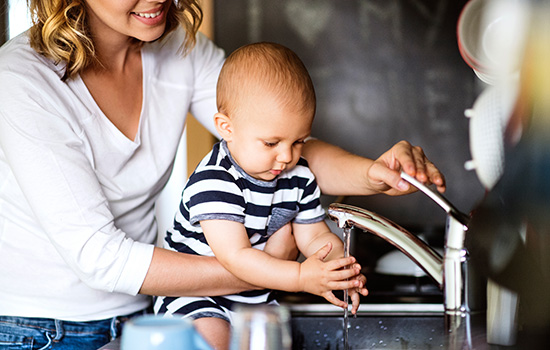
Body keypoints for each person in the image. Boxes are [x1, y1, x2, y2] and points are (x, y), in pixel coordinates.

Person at [0, 0, 445, 349]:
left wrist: (373, 173)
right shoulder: (23, 80)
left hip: (144, 313)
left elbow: (277, 143)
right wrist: (281, 268)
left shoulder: (178, 48)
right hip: (43, 329)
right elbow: (101, 257)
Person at [153, 42, 369, 349]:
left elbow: (313, 235)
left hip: (257, 298)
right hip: (197, 297)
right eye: (271, 143)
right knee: (215, 339)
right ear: (226, 128)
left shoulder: (299, 175)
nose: (286, 157)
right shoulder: (215, 180)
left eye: (298, 142)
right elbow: (236, 257)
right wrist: (299, 278)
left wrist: (335, 268)